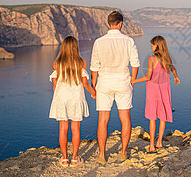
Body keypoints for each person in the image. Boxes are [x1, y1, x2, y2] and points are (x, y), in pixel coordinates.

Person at [90, 11, 140, 163]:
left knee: (103, 119)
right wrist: (132, 80)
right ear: (120, 23)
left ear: (108, 23)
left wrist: (93, 87)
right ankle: (123, 152)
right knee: (125, 118)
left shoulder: (99, 42)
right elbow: (135, 64)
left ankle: (101, 155)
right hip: (123, 81)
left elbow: (94, 68)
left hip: (104, 83)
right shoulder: (129, 41)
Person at [49, 36, 96, 167]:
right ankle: (75, 158)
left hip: (61, 98)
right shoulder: (82, 63)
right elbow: (85, 83)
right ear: (76, 47)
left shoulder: (56, 64)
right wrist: (93, 93)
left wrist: (57, 100)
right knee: (76, 129)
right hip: (76, 98)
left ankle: (64, 159)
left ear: (63, 47)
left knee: (63, 129)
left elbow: (54, 85)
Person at [132, 35, 180, 153]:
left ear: (157, 46)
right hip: (165, 92)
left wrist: (134, 80)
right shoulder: (167, 59)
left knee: (152, 119)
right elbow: (173, 68)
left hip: (153, 92)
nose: (151, 47)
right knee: (162, 118)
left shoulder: (152, 59)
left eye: (152, 45)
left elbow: (148, 77)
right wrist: (176, 77)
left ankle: (152, 145)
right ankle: (159, 143)